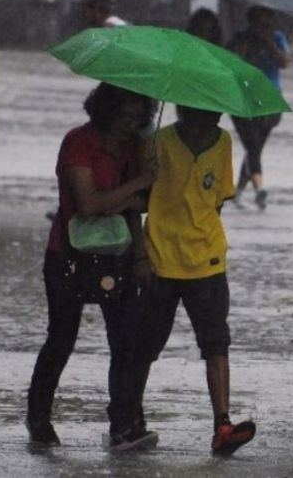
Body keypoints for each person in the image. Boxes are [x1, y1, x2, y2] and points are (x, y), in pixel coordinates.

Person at [26, 82, 158, 450]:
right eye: (125, 110)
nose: (132, 118)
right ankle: (38, 417)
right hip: (69, 254)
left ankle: (123, 424)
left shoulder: (135, 149)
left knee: (126, 340)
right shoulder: (78, 142)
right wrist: (137, 186)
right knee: (62, 338)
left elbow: (138, 207)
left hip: (118, 254)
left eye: (139, 111)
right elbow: (86, 203)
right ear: (107, 108)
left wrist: (141, 254)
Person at [133, 104, 256, 457]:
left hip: (208, 260)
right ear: (183, 111)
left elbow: (217, 200)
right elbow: (139, 200)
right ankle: (132, 415)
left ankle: (222, 424)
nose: (211, 123)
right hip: (160, 259)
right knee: (147, 343)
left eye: (216, 116)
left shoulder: (223, 143)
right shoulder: (158, 142)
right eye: (203, 116)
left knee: (216, 342)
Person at [226, 6, 291, 209]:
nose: (263, 28)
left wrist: (269, 44)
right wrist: (246, 48)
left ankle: (238, 192)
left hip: (270, 99)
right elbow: (229, 61)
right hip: (242, 98)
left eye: (267, 24)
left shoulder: (277, 38)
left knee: (255, 148)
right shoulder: (240, 37)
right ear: (251, 22)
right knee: (252, 145)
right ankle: (259, 188)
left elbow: (285, 62)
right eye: (259, 24)